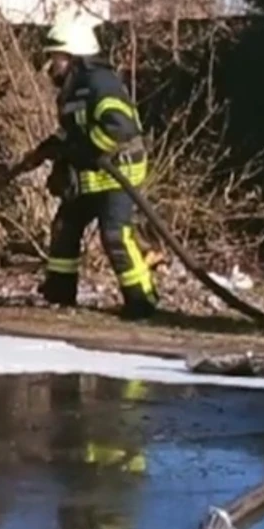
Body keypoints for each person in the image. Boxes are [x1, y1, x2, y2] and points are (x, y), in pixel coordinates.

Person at [29, 17, 158, 320]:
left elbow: (120, 129)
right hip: (89, 175)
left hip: (117, 174)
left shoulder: (101, 84)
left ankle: (142, 300)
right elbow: (71, 131)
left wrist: (85, 151)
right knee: (65, 227)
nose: (51, 65)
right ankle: (59, 291)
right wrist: (50, 148)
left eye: (55, 57)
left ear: (73, 56)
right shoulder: (73, 88)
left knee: (115, 235)